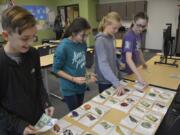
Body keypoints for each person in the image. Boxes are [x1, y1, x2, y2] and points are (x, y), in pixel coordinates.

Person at [0, 6, 54, 135]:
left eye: (33, 37)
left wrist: (46, 102)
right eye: (25, 38)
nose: (30, 43)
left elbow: (38, 82)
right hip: (12, 127)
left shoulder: (33, 54)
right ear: (6, 35)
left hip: (36, 120)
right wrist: (18, 125)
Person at [53, 17, 96, 111]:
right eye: (83, 35)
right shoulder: (63, 47)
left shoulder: (82, 44)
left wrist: (88, 76)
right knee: (74, 113)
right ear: (73, 33)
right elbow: (56, 69)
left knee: (79, 110)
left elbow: (81, 64)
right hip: (69, 88)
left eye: (87, 35)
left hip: (81, 85)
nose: (85, 38)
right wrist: (73, 79)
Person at [94, 12, 124, 95]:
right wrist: (116, 83)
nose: (116, 31)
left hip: (113, 76)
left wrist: (118, 63)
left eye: (118, 28)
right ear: (106, 24)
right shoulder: (100, 40)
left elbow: (113, 54)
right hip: (104, 80)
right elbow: (103, 64)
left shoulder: (112, 37)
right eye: (114, 28)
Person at [120, 12, 149, 85]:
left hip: (132, 69)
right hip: (125, 71)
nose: (141, 28)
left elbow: (138, 49)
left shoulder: (138, 34)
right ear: (133, 21)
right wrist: (139, 76)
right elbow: (128, 59)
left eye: (143, 26)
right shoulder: (129, 36)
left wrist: (143, 63)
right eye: (139, 25)